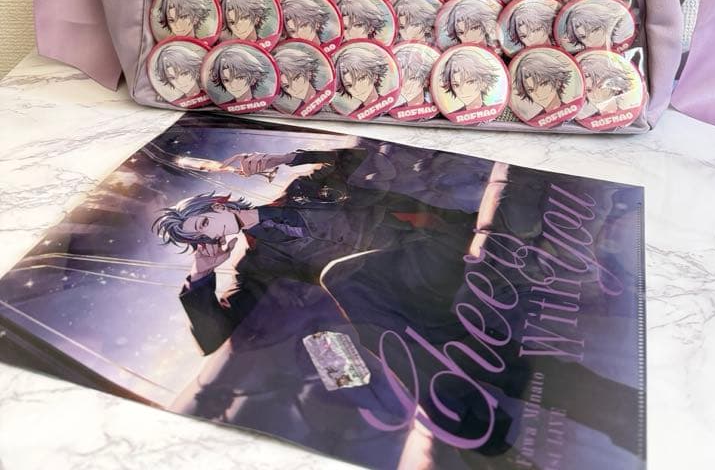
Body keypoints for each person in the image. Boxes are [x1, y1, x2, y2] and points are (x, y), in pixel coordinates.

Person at [152, 146, 476, 356]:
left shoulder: (302, 190)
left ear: (219, 204)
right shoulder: (257, 264)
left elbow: (355, 158)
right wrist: (202, 273)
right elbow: (213, 338)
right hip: (407, 298)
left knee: (345, 278)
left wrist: (283, 159)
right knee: (343, 281)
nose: (211, 233)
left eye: (204, 222)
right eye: (201, 236)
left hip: (431, 242)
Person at [439, 47, 501, 112]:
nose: (462, 91)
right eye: (456, 85)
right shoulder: (454, 114)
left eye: (470, 82)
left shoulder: (494, 109)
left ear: (483, 83)